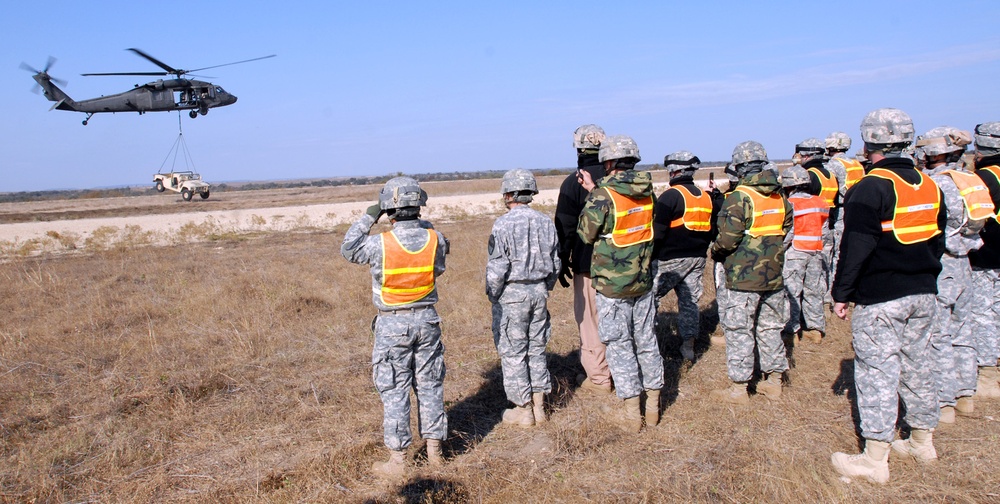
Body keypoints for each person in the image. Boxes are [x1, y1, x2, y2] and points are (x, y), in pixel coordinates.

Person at [830, 108, 947, 484]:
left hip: (881, 295)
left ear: (869, 143)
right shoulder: (930, 185)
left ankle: (875, 458)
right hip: (924, 290)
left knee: (877, 371)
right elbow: (938, 237)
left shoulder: (870, 187)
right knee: (919, 364)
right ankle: (921, 441)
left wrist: (842, 293)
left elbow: (856, 246)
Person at [341, 176, 449, 478]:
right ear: (420, 205)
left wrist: (369, 216)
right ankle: (435, 451)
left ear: (388, 208)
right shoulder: (435, 238)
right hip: (428, 321)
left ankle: (399, 461)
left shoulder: (379, 243)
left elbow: (348, 249)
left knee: (395, 388)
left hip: (392, 325)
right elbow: (439, 266)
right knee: (430, 385)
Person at [577, 134, 663, 431]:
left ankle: (631, 413)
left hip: (613, 286)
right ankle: (653, 406)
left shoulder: (603, 196)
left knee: (619, 345)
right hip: (643, 280)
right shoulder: (647, 192)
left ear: (609, 162)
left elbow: (586, 234)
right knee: (647, 341)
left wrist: (593, 193)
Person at [915, 127, 989, 423]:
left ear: (937, 152)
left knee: (938, 332)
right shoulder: (969, 178)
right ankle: (965, 393)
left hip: (942, 261)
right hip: (965, 260)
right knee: (963, 329)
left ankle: (944, 401)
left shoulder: (937, 184)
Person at [709, 141, 792, 405]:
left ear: (740, 167)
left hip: (742, 278)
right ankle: (774, 382)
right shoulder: (780, 195)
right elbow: (787, 226)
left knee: (739, 330)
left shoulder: (739, 197)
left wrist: (717, 251)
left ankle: (739, 389)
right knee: (770, 328)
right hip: (774, 275)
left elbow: (727, 240)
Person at [486, 169, 561, 428]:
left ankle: (524, 409)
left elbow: (497, 268)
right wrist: (543, 287)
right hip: (539, 292)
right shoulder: (546, 222)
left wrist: (493, 295)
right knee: (537, 348)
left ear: (508, 194)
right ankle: (540, 406)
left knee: (514, 351)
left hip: (513, 295)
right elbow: (556, 263)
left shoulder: (503, 224)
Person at [555, 124, 613, 394]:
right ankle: (621, 369)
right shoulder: (622, 178)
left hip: (588, 264)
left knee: (589, 319)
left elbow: (565, 226)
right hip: (628, 264)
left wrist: (563, 260)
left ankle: (600, 377)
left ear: (578, 148)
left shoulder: (574, 181)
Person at [651, 151, 718, 361]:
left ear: (675, 171)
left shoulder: (670, 196)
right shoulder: (706, 197)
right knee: (689, 302)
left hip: (670, 260)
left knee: (648, 297)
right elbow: (713, 230)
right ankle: (688, 346)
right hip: (698, 258)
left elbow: (658, 232)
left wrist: (649, 257)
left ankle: (648, 344)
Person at [780, 164, 830, 344]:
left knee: (792, 292)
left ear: (788, 186)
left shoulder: (790, 204)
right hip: (816, 251)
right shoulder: (820, 202)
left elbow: (790, 232)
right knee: (813, 290)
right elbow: (825, 232)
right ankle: (815, 329)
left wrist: (779, 250)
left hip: (795, 252)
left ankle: (791, 331)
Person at [969, 121, 1000, 399]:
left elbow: (972, 220)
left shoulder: (984, 178)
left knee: (983, 313)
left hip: (989, 253)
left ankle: (988, 373)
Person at [824, 132, 864, 305]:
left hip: (839, 211)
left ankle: (833, 293)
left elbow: (829, 189)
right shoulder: (856, 164)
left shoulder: (833, 165)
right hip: (856, 210)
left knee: (836, 253)